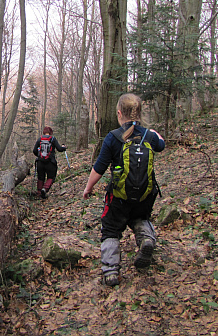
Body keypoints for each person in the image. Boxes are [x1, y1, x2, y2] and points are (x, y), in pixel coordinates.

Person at [83, 93, 165, 287]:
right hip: (144, 195)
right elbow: (161, 144)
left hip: (119, 197)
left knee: (110, 229)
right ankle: (146, 238)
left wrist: (88, 188)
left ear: (120, 113)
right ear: (139, 113)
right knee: (140, 218)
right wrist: (155, 133)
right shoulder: (149, 136)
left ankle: (111, 271)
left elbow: (99, 168)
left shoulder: (113, 137)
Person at [33, 126, 67, 199]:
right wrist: (64, 147)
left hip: (40, 162)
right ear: (51, 132)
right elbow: (60, 149)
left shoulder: (40, 139)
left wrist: (39, 156)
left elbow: (34, 151)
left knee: (40, 177)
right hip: (50, 162)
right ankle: (44, 189)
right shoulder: (53, 139)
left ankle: (39, 193)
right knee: (51, 177)